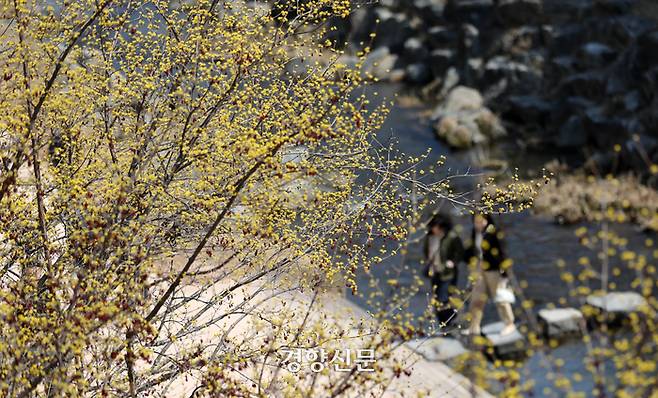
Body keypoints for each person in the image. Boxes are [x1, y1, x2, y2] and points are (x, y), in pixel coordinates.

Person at [465, 214, 516, 336]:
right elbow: (473, 249)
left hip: (494, 270)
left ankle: (509, 324)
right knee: (476, 298)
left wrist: (504, 273)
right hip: (480, 269)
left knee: (500, 298)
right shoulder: (475, 232)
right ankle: (474, 327)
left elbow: (503, 252)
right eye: (476, 222)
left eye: (480, 221)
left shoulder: (494, 232)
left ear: (486, 220)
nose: (478, 224)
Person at [424, 215, 464, 326]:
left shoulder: (451, 237)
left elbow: (460, 252)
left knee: (444, 297)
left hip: (448, 273)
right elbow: (426, 252)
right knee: (436, 298)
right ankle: (443, 323)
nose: (434, 229)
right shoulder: (430, 237)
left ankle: (449, 320)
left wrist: (452, 262)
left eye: (436, 227)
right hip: (435, 272)